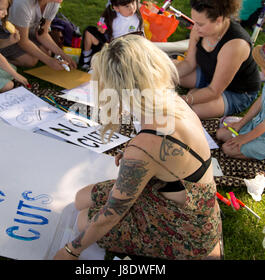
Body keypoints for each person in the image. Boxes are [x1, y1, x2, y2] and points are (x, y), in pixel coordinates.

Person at [53, 35, 222, 260]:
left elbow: (112, 213)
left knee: (83, 219)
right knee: (80, 198)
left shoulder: (144, 147)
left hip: (188, 230)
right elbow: (168, 155)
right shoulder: (169, 100)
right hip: (187, 201)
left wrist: (71, 251)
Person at [177, 0, 261, 120]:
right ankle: (194, 91)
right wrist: (165, 75)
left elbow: (214, 90)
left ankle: (195, 94)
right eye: (194, 22)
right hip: (208, 74)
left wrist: (183, 100)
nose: (195, 28)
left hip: (237, 91)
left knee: (190, 111)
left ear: (219, 20)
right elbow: (189, 63)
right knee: (166, 70)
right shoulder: (200, 29)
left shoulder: (235, 45)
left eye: (200, 24)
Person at [0, 0, 77, 71]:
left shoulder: (54, 0)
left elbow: (42, 33)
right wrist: (49, 61)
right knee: (30, 60)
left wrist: (63, 54)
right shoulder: (24, 2)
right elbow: (22, 41)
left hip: (19, 30)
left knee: (46, 51)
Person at [79, 0, 143, 70]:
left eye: (133, 3)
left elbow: (141, 34)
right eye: (127, 6)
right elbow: (101, 24)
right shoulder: (111, 17)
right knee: (89, 31)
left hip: (129, 50)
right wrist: (102, 28)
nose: (132, 8)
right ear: (116, 8)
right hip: (112, 48)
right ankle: (86, 59)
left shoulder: (137, 17)